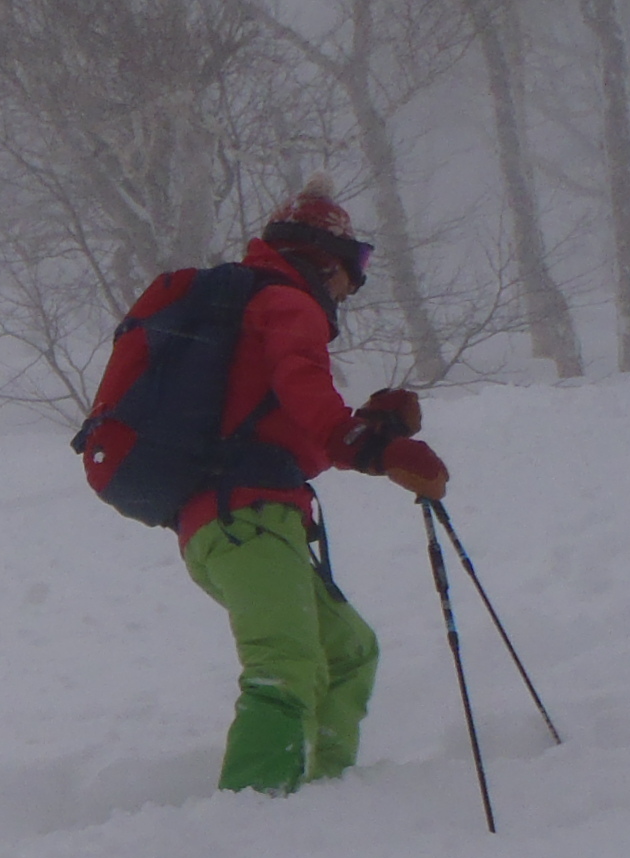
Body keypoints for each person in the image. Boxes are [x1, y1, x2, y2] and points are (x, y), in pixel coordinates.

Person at [174, 180, 452, 795]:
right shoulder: (288, 303)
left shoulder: (251, 310)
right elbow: (304, 388)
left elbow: (286, 428)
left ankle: (326, 794)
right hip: (245, 519)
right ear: (327, 261)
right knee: (284, 664)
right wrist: (375, 448)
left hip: (236, 521)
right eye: (355, 271)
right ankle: (255, 813)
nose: (351, 289)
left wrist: (369, 429)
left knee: (348, 652)